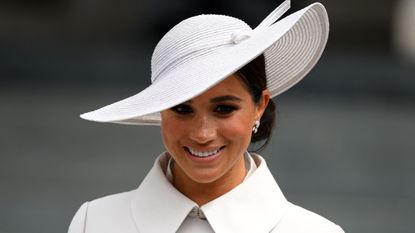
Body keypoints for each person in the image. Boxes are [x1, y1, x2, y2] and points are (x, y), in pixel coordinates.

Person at [68, 1, 345, 232]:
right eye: (181, 108)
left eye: (224, 109)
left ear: (259, 105)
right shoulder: (94, 222)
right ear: (160, 110)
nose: (202, 134)